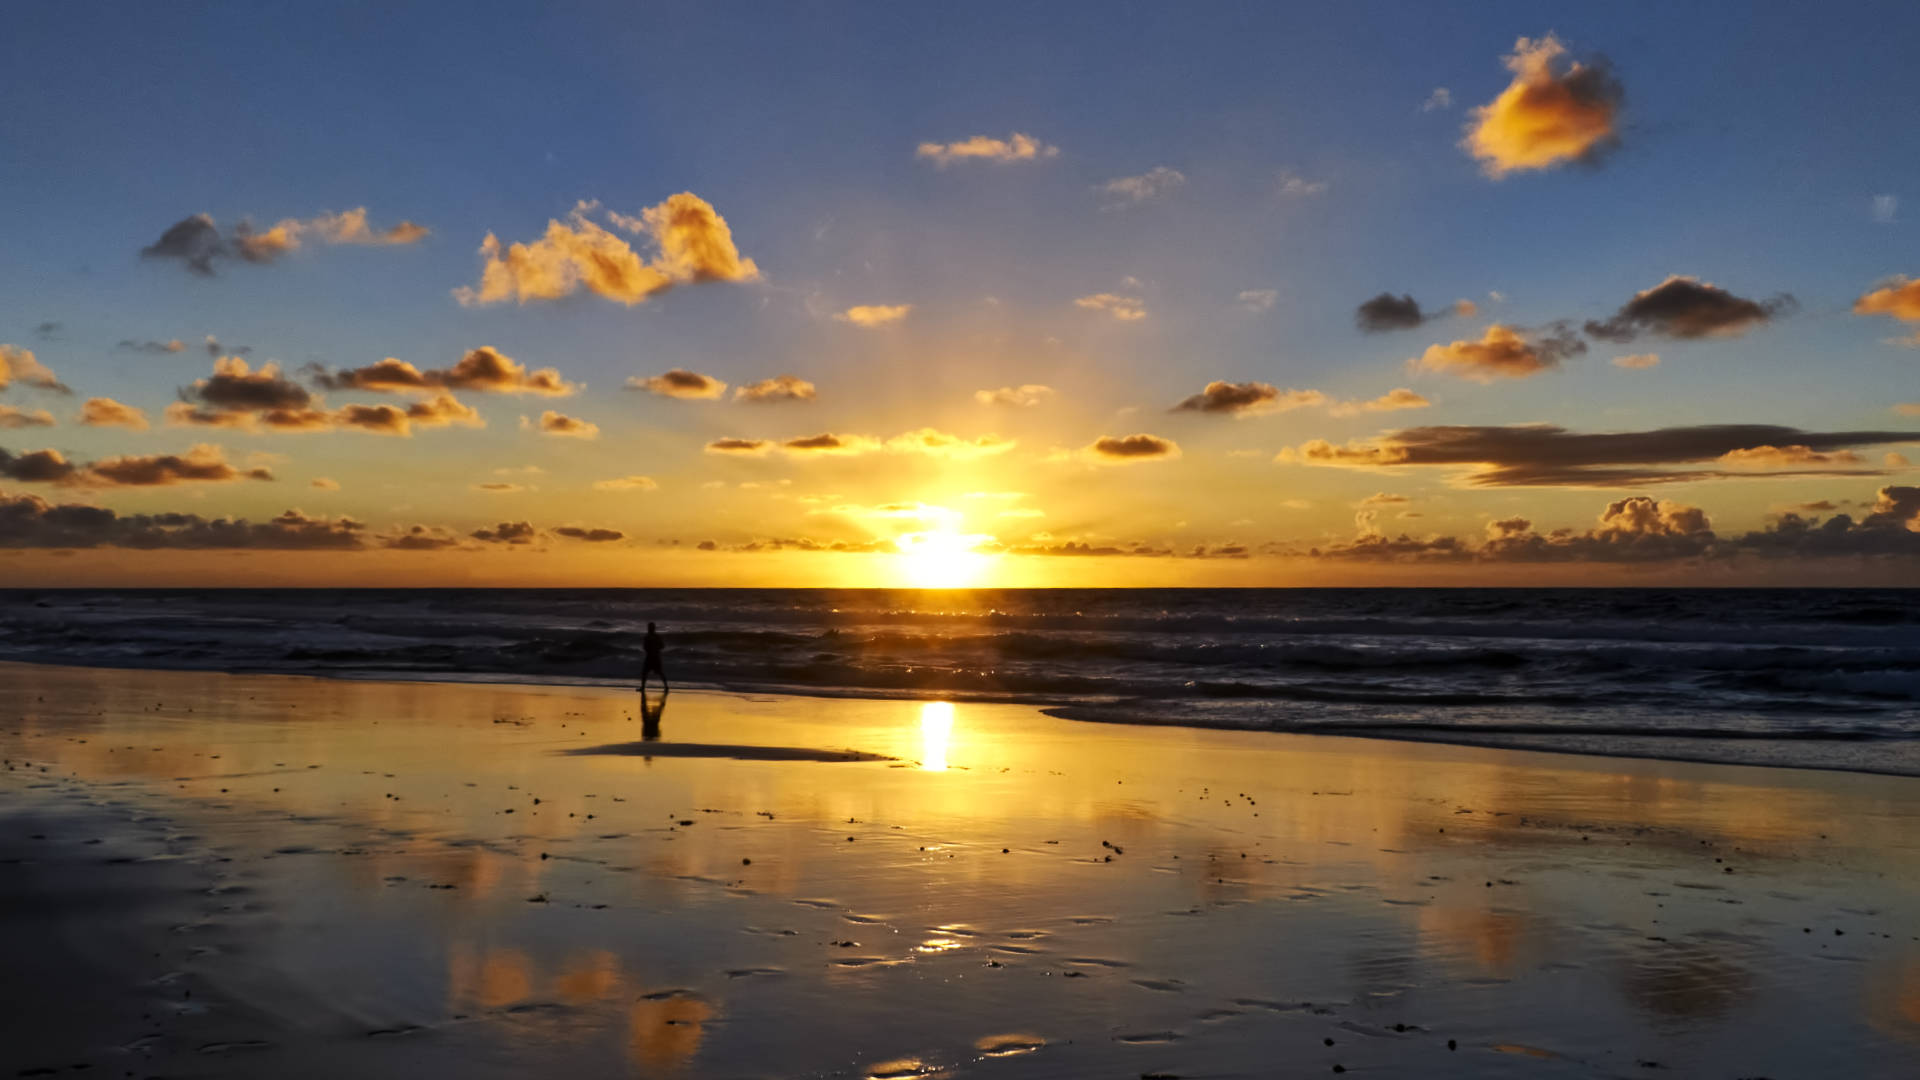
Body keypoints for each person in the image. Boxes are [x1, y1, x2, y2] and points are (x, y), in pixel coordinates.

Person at [640, 621, 669, 694]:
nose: (649, 629)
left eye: (650, 628)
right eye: (649, 628)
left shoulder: (654, 637)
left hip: (654, 657)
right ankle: (643, 687)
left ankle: (666, 687)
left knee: (658, 672)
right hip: (652, 657)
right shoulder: (649, 637)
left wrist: (654, 649)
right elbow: (645, 647)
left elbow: (662, 646)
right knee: (645, 673)